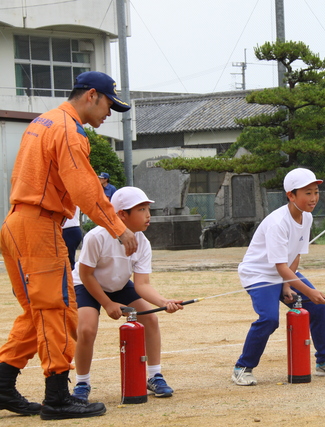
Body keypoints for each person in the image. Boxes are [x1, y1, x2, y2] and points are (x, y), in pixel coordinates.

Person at [0, 71, 137, 420]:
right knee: (59, 308)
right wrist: (118, 227)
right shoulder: (69, 131)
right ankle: (58, 396)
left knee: (38, 311)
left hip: (17, 221)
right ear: (92, 95)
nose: (110, 113)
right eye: (109, 104)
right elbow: (85, 188)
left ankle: (2, 382)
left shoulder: (42, 122)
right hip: (40, 226)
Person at [232, 168, 325, 386]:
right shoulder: (278, 222)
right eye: (307, 193)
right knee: (269, 319)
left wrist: (288, 285)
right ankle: (242, 367)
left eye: (316, 192)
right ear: (291, 195)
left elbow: (295, 255)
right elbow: (279, 266)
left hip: (284, 273)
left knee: (318, 307)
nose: (314, 198)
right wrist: (307, 291)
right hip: (259, 274)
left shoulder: (306, 217)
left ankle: (324, 361)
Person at [71, 187, 182, 402]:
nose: (148, 215)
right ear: (122, 214)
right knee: (86, 329)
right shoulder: (97, 236)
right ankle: (82, 383)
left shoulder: (143, 243)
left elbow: (142, 285)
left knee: (150, 318)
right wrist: (107, 303)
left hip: (120, 285)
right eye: (141, 209)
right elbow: (85, 275)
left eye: (148, 208)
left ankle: (154, 376)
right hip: (87, 284)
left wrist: (163, 301)